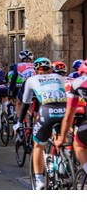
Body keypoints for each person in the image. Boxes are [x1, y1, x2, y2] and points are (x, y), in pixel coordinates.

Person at [16, 57, 67, 190]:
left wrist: (19, 122)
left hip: (47, 111)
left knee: (38, 145)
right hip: (65, 110)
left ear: (36, 70)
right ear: (50, 69)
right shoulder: (59, 77)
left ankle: (39, 180)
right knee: (61, 136)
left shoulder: (31, 80)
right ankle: (63, 164)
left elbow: (25, 104)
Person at [55, 59, 87, 181]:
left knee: (78, 144)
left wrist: (62, 139)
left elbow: (69, 116)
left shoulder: (78, 82)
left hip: (70, 111)